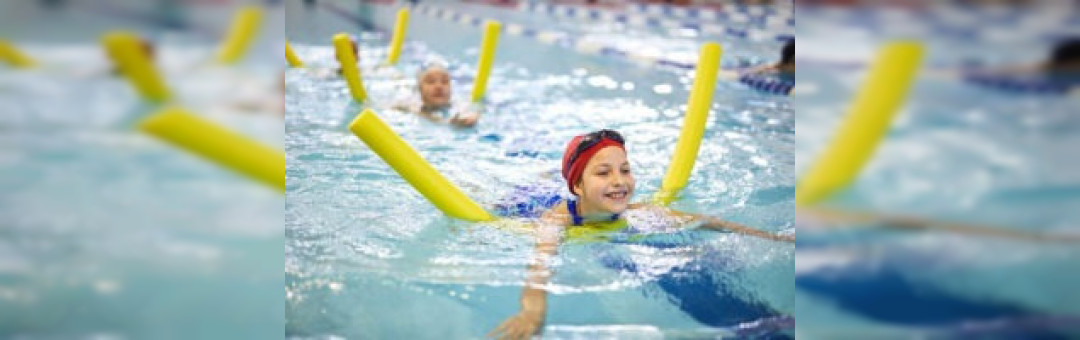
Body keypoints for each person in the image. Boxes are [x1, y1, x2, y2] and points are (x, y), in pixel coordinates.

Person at [487, 129, 792, 340]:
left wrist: (773, 238)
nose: (619, 181)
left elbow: (704, 221)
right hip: (522, 203)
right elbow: (541, 264)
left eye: (625, 170)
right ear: (578, 186)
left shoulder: (636, 209)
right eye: (603, 173)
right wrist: (533, 312)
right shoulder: (558, 219)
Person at [392, 62, 481, 127]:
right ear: (420, 89)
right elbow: (428, 117)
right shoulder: (413, 105)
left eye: (445, 82)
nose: (439, 86)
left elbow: (469, 110)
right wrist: (449, 122)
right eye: (430, 82)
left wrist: (471, 116)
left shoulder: (458, 101)